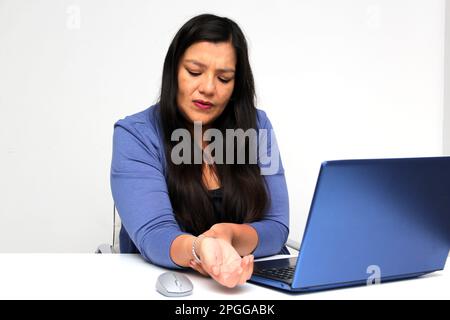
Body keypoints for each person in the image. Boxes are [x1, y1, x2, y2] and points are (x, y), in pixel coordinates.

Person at [110, 13, 289, 288]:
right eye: (194, 72)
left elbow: (276, 228)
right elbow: (154, 234)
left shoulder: (258, 126)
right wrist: (200, 250)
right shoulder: (136, 134)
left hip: (249, 288)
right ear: (173, 71)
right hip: (166, 287)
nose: (207, 88)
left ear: (236, 84)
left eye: (224, 78)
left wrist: (228, 235)